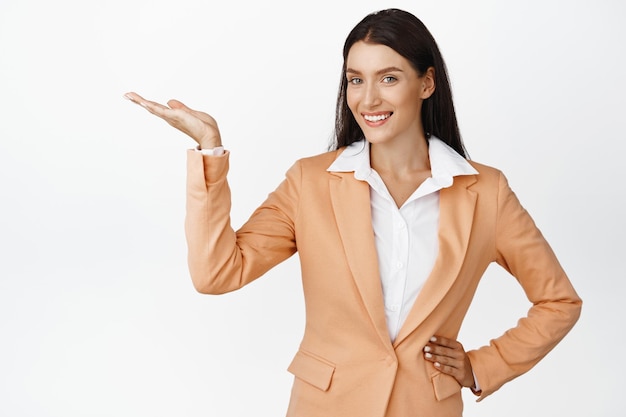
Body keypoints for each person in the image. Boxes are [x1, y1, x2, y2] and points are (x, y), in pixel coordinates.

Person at [124, 8, 581, 417]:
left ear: (426, 83)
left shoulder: (487, 192)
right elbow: (217, 274)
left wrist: (481, 367)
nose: (367, 99)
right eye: (355, 79)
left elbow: (559, 302)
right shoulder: (310, 182)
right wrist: (210, 150)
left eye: (388, 78)